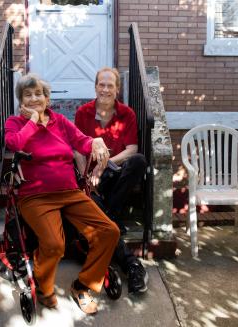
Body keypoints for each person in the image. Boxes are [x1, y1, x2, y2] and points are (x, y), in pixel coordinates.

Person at [4, 73, 120, 315]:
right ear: (21, 101)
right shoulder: (15, 123)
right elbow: (14, 144)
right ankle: (45, 288)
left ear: (47, 99)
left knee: (108, 231)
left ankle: (83, 285)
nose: (35, 98)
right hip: (34, 196)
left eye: (39, 94)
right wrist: (33, 121)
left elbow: (82, 141)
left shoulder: (61, 122)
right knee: (55, 245)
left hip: (69, 191)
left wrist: (95, 142)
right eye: (29, 95)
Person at [74, 67, 149, 294]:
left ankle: (110, 216)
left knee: (138, 161)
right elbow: (78, 150)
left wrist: (103, 164)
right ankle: (132, 265)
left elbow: (132, 149)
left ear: (118, 89)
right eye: (101, 84)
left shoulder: (127, 113)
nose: (105, 89)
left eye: (110, 85)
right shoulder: (83, 112)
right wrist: (86, 177)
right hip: (92, 179)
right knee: (93, 208)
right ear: (95, 86)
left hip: (113, 172)